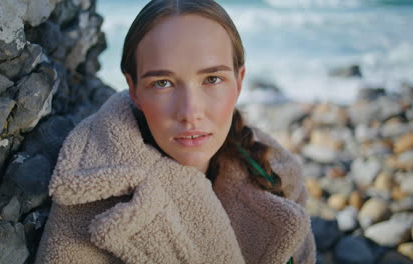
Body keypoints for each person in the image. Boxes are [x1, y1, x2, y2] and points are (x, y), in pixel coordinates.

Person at [35, 0, 316, 263]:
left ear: (239, 82)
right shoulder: (89, 198)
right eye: (163, 83)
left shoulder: (278, 171)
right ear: (133, 89)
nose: (190, 111)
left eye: (212, 79)